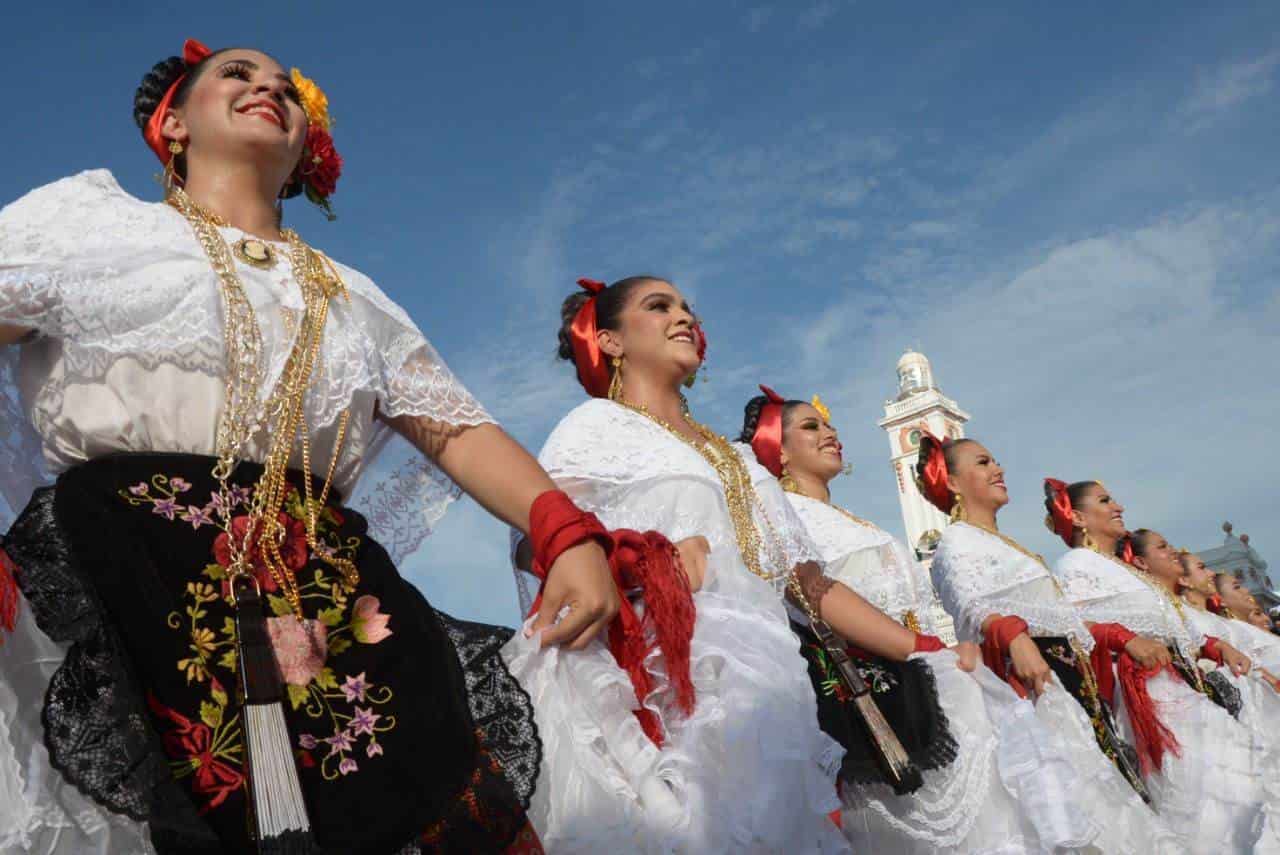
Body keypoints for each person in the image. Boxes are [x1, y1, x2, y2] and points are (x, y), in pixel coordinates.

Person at [0, 39, 623, 854]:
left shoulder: (351, 292)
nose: (268, 88)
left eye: (286, 87)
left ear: (304, 148)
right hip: (125, 574)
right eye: (236, 74)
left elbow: (457, 427)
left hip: (325, 586)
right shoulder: (91, 223)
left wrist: (562, 528)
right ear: (173, 124)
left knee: (432, 796)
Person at [503, 276, 850, 853]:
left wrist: (922, 649)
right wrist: (639, 550)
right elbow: (535, 542)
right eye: (659, 306)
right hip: (654, 676)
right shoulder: (594, 426)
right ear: (610, 341)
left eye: (688, 308)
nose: (685, 316)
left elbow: (810, 586)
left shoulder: (741, 460)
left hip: (765, 686)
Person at [741, 390, 1113, 853]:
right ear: (776, 445)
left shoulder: (855, 523)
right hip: (875, 694)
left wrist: (941, 651)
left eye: (829, 425)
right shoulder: (782, 513)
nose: (830, 433)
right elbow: (811, 594)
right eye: (810, 427)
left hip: (928, 681)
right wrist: (924, 647)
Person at [921, 436, 1178, 853]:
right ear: (952, 482)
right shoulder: (957, 541)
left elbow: (1068, 620)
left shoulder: (1008, 546)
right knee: (1083, 807)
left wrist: (1116, 642)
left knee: (1116, 802)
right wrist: (1014, 638)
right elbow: (970, 602)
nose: (998, 469)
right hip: (1032, 685)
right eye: (984, 462)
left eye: (997, 461)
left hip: (1072, 684)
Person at [1048, 481, 1276, 852]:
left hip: (1179, 686)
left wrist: (1215, 645)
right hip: (1149, 696)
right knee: (1204, 792)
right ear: (1077, 517)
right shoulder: (1075, 564)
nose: (1118, 506)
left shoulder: (1128, 574)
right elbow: (1075, 626)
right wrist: (1126, 640)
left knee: (1238, 780)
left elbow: (1174, 628)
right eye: (1105, 501)